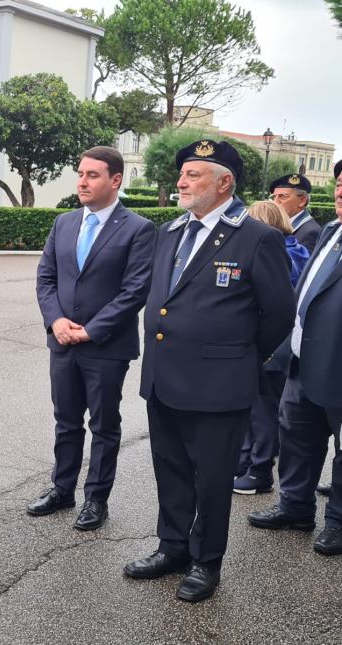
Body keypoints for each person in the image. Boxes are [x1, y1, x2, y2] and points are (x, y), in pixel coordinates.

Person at [124, 140, 295, 602]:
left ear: (225, 182)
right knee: (171, 470)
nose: (181, 181)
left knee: (213, 479)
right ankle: (172, 547)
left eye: (194, 174)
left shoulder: (257, 237)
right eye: (182, 174)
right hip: (164, 379)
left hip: (219, 384)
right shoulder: (172, 231)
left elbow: (279, 313)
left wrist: (237, 356)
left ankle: (205, 561)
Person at [28, 147, 154, 530]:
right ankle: (61, 489)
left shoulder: (138, 228)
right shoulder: (64, 223)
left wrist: (92, 329)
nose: (82, 181)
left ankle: (96, 499)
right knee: (66, 421)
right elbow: (46, 278)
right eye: (80, 173)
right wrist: (56, 322)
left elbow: (135, 290)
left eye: (92, 175)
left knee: (103, 424)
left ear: (115, 180)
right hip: (63, 341)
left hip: (105, 347)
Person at [248, 160, 342, 557]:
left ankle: (337, 521)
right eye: (338, 184)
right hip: (302, 361)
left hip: (338, 366)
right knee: (296, 438)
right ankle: (296, 506)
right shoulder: (332, 232)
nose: (340, 191)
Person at [233, 201, 310, 496]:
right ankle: (248, 462)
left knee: (261, 411)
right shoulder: (295, 249)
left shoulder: (276, 254)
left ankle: (258, 469)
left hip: (269, 347)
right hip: (283, 347)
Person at [270, 173, 321, 253]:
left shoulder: (311, 232)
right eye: (274, 197)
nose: (275, 202)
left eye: (283, 196)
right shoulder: (278, 224)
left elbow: (302, 264)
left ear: (302, 201)